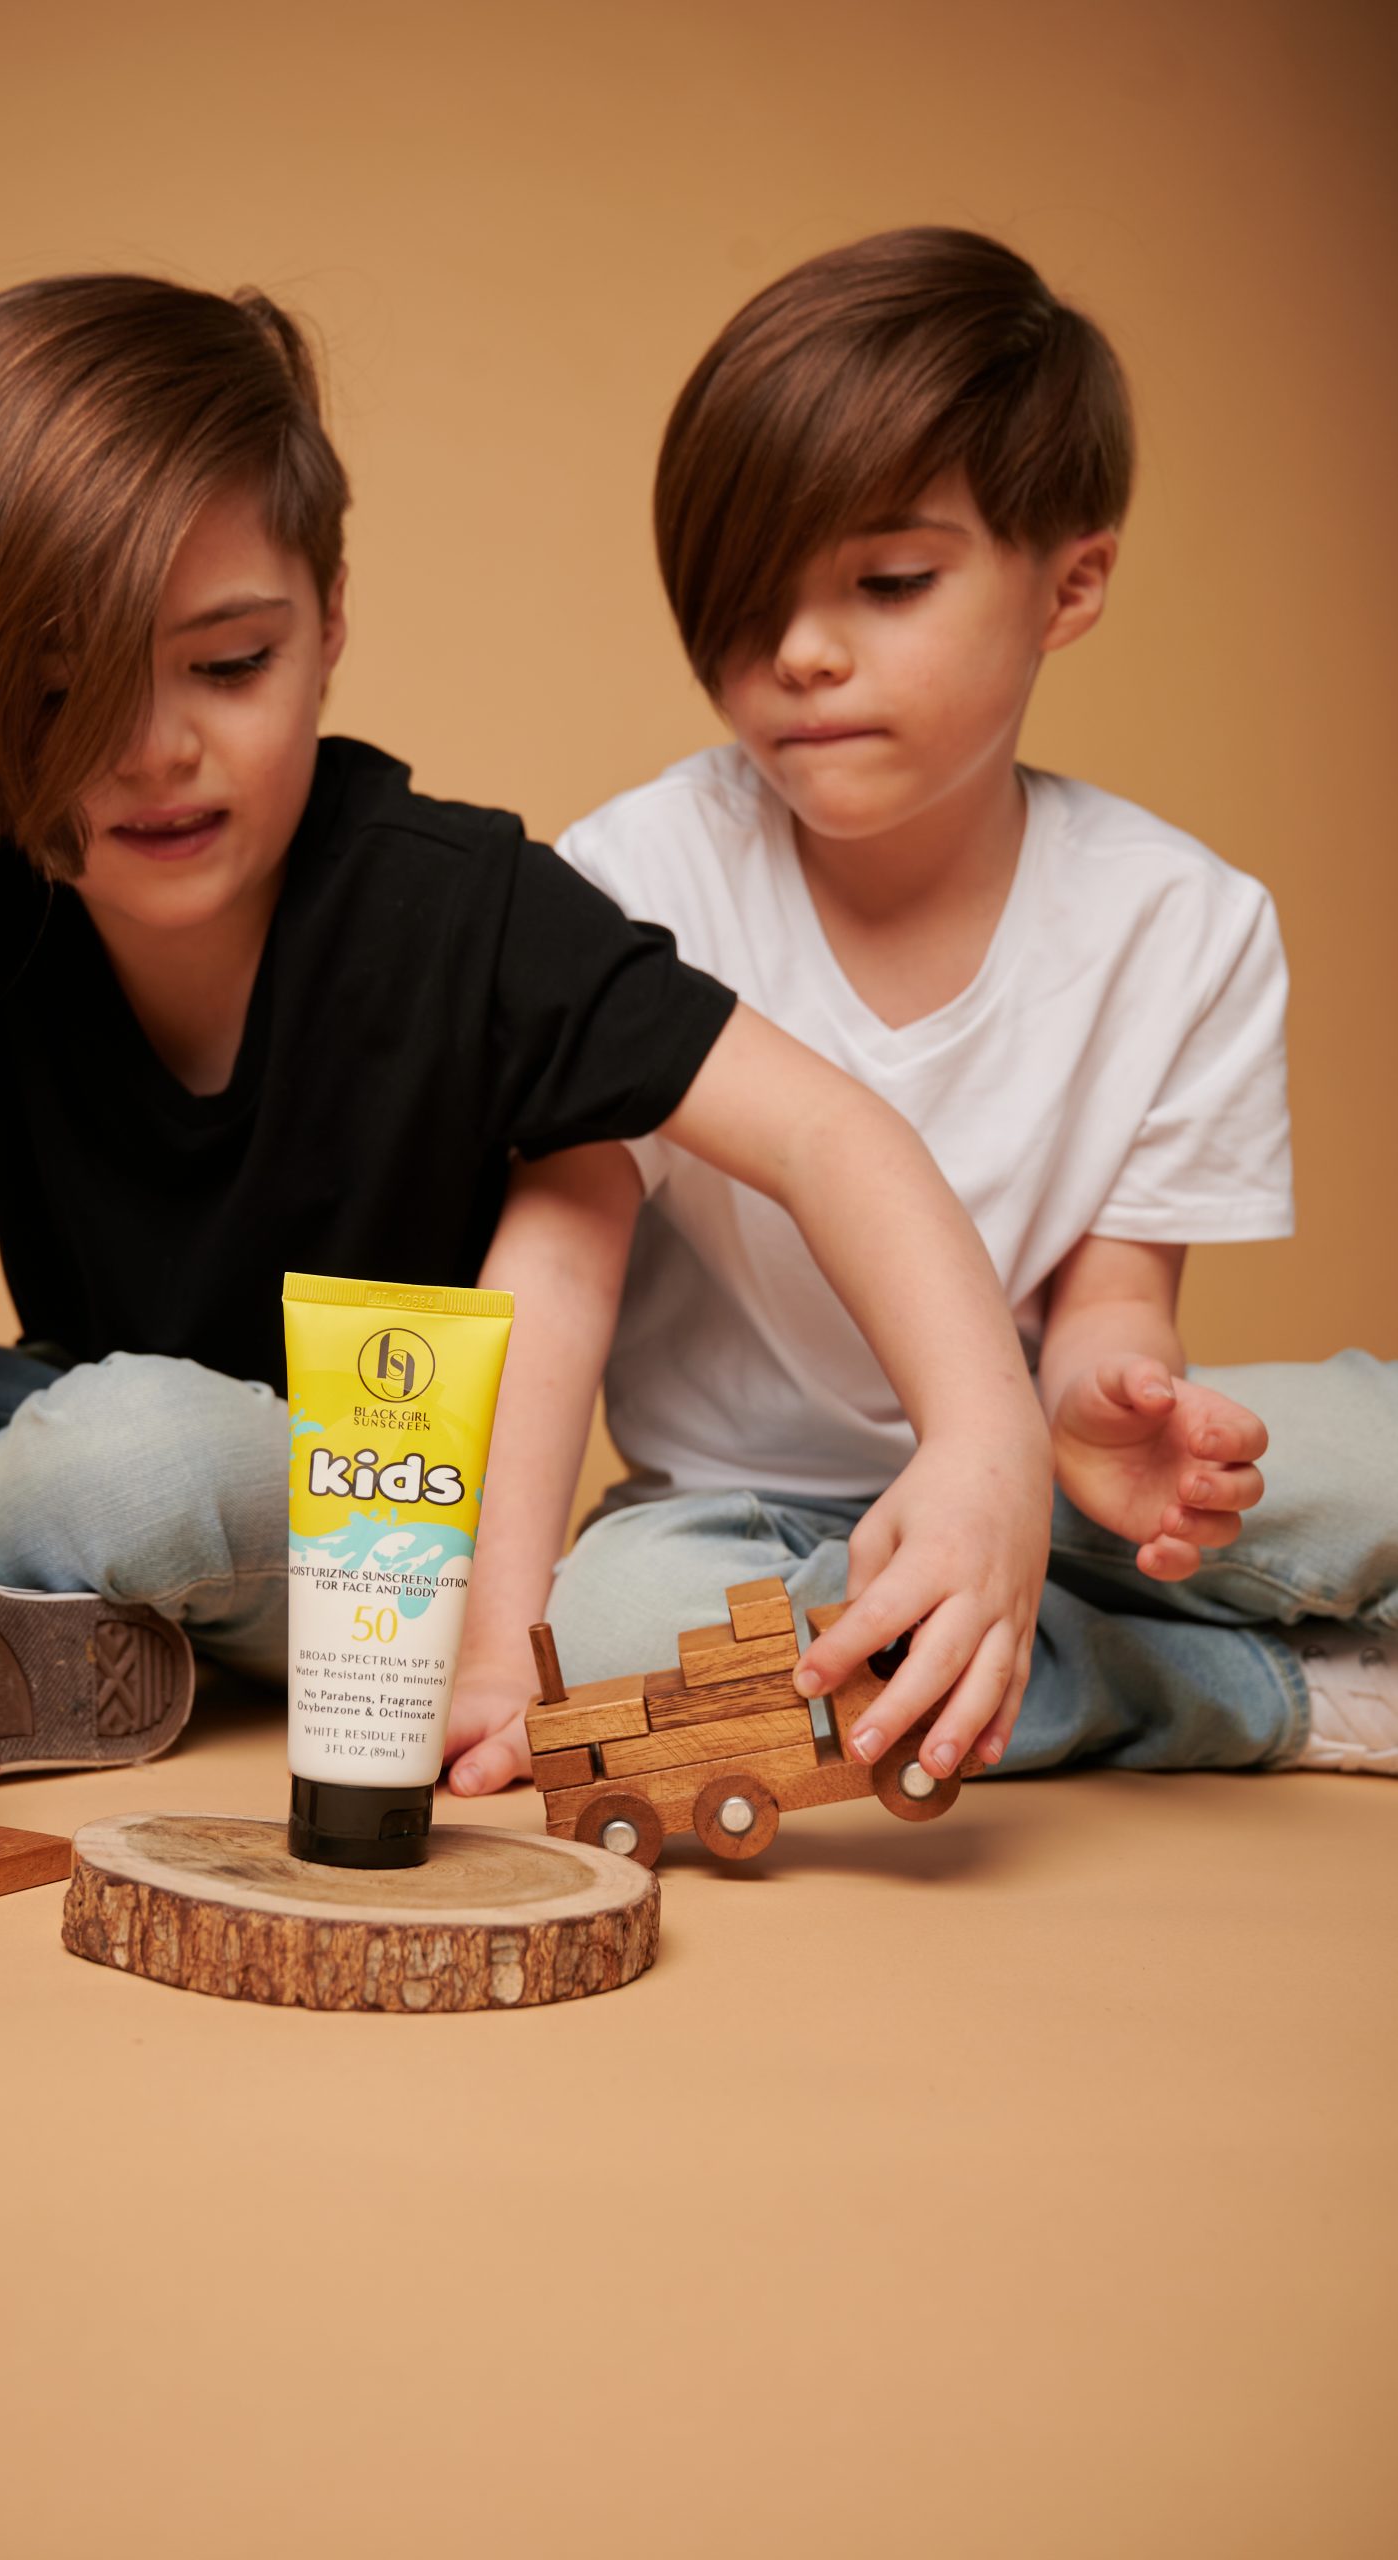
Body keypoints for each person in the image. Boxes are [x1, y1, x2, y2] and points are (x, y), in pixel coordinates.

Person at [0, 269, 1055, 1817]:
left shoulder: (463, 903)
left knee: (134, 1454)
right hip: (74, 1428)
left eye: (228, 665)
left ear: (330, 622)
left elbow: (827, 1131)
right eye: (64, 687)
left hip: (376, 1541)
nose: (155, 747)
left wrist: (986, 1440)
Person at [453, 226, 1396, 1796]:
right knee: (618, 1644)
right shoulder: (628, 882)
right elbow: (556, 1269)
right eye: (743, 603)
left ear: (1069, 584)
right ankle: (1253, 1691)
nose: (800, 654)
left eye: (889, 584)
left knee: (1372, 1453)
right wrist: (496, 1637)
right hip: (738, 1521)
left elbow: (1116, 1303)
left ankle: (1027, 1614)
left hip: (1044, 1487)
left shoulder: (1184, 922)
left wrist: (1099, 1410)